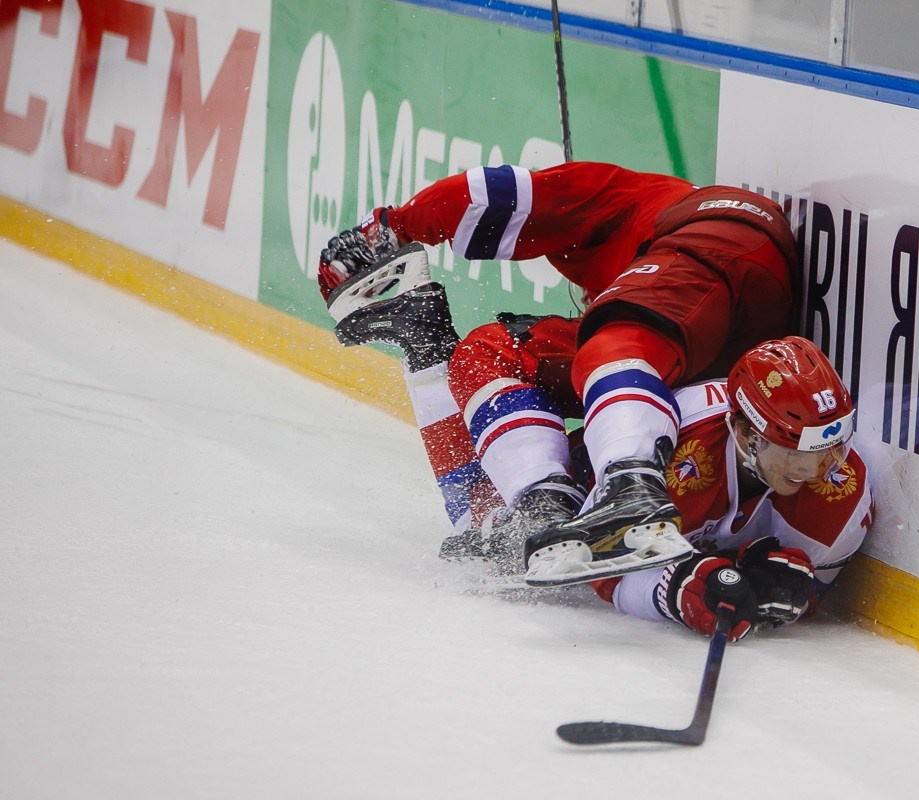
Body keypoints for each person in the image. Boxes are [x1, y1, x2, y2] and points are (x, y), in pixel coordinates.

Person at [316, 161, 802, 587]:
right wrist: (430, 353)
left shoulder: (615, 196)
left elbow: (492, 194)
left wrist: (394, 226)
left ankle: (631, 485)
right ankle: (545, 500)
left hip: (724, 242)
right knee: (489, 357)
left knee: (615, 343)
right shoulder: (644, 289)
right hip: (708, 360)